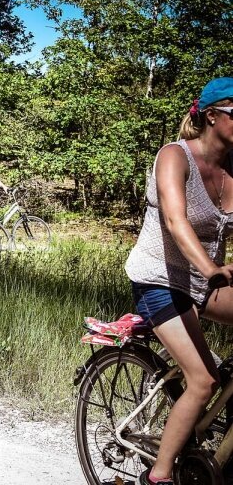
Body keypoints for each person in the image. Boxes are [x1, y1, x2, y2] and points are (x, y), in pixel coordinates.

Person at [125, 77, 233, 485]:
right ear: (211, 115)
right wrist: (209, 268)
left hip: (207, 283)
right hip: (159, 280)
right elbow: (175, 219)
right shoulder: (175, 156)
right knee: (202, 381)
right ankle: (161, 473)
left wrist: (211, 275)